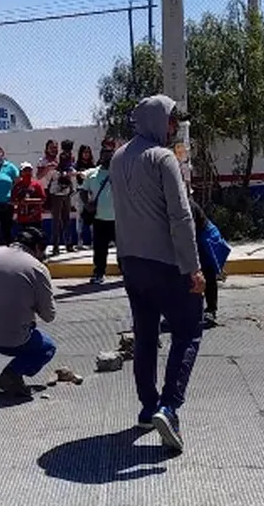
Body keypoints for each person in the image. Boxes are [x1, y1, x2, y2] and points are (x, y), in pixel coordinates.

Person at [110, 94, 203, 452]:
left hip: (131, 262)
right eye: (171, 119)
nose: (174, 126)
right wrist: (193, 267)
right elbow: (180, 216)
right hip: (166, 262)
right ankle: (170, 407)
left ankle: (148, 407)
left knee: (146, 335)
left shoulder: (119, 157)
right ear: (158, 120)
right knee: (188, 331)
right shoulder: (163, 158)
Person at [0, 226, 57, 398]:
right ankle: (14, 373)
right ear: (37, 247)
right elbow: (49, 316)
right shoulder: (38, 269)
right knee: (47, 347)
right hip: (13, 340)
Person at [191, 202, 231, 327]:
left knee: (208, 273)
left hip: (205, 237)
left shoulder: (187, 205)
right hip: (197, 237)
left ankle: (211, 310)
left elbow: (189, 231)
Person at [79, 145, 115, 284]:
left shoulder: (119, 173)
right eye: (105, 154)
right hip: (99, 218)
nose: (107, 157)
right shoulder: (92, 174)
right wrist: (87, 204)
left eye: (110, 154)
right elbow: (83, 191)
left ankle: (126, 272)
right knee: (100, 249)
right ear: (101, 156)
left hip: (118, 218)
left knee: (123, 249)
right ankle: (99, 273)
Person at [46, 142, 77, 255]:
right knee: (56, 221)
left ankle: (68, 244)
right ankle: (55, 245)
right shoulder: (55, 168)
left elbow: (73, 173)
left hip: (66, 194)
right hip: (56, 194)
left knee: (66, 220)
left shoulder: (69, 167)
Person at [11, 162, 47, 237]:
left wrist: (30, 201)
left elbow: (43, 199)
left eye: (29, 170)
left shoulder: (37, 185)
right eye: (25, 170)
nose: (27, 172)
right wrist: (20, 202)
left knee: (37, 237)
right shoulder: (17, 186)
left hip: (35, 218)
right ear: (21, 172)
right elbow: (12, 201)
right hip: (22, 218)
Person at [74, 144, 96, 249]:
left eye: (88, 152)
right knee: (80, 216)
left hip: (91, 193)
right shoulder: (77, 165)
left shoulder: (93, 166)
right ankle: (79, 240)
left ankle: (93, 240)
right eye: (84, 152)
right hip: (80, 192)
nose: (86, 154)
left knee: (93, 216)